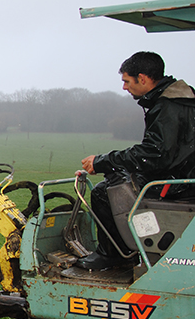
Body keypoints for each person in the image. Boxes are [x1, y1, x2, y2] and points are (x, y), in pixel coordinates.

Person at [78, 51, 195, 271]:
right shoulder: (183, 99)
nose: (124, 87)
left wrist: (103, 162)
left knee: (105, 192)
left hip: (178, 184)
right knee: (116, 177)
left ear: (142, 78)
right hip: (184, 175)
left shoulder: (168, 106)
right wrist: (110, 166)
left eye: (126, 81)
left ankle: (115, 255)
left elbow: (155, 154)